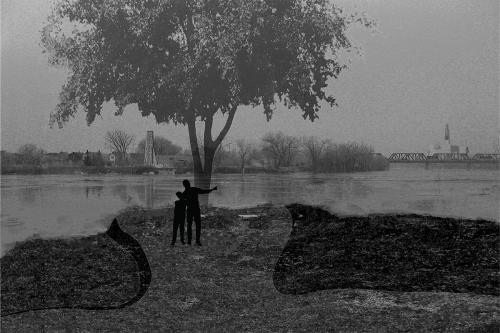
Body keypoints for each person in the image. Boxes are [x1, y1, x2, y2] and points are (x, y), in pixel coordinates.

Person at [181, 179, 217, 246]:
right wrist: (212, 189)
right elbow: (204, 191)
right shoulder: (194, 189)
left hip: (189, 210)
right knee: (198, 225)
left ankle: (189, 241)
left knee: (189, 225)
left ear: (184, 185)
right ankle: (197, 241)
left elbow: (182, 202)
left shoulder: (185, 192)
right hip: (196, 210)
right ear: (189, 184)